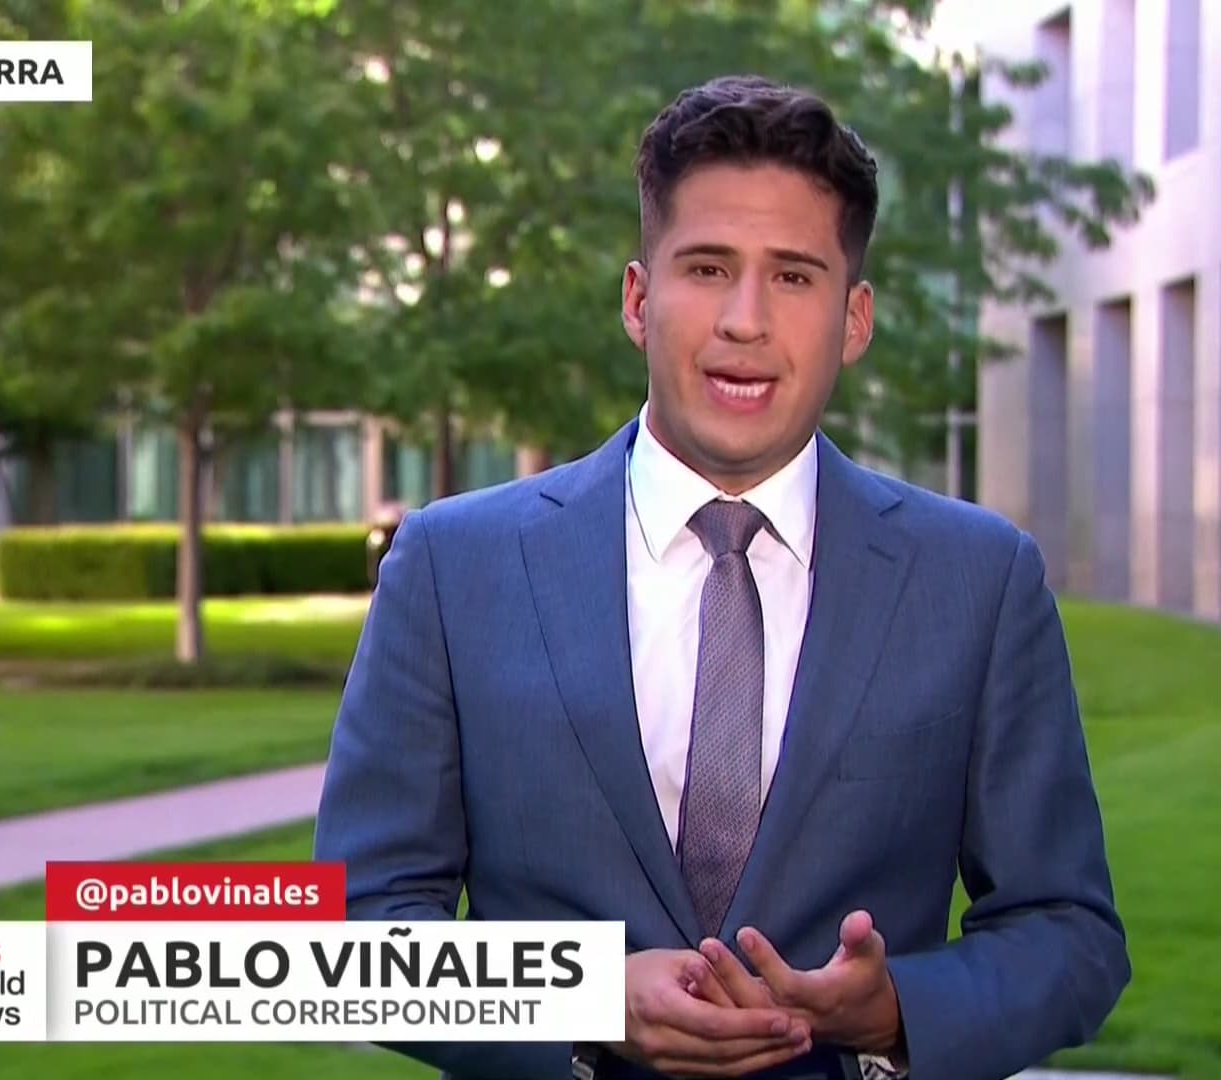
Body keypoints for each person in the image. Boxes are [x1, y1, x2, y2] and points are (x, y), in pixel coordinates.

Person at [313, 73, 1129, 1080]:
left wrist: (894, 1013)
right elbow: (358, 929)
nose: (746, 319)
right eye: (707, 268)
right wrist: (585, 998)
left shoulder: (978, 582)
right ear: (638, 300)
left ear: (855, 319)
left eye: (794, 277)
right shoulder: (453, 567)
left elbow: (1070, 935)